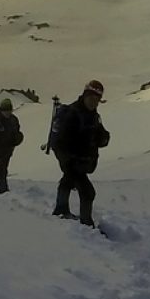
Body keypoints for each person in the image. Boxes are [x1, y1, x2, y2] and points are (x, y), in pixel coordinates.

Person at [51, 79, 110, 227]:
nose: (94, 102)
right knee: (88, 192)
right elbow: (62, 142)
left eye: (97, 99)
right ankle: (86, 224)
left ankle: (61, 210)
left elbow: (102, 138)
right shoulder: (73, 114)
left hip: (81, 161)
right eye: (91, 98)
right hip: (72, 161)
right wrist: (68, 161)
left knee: (67, 181)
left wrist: (101, 138)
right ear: (84, 96)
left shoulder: (93, 117)